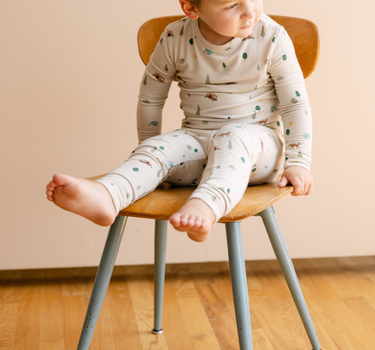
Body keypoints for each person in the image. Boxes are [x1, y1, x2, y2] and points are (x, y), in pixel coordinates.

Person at [46, 0, 314, 242]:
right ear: (191, 9)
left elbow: (295, 103)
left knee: (233, 135)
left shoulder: (272, 36)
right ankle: (108, 194)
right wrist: (152, 155)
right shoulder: (175, 37)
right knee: (159, 147)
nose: (250, 11)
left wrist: (299, 162)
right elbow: (150, 98)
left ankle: (206, 206)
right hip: (196, 142)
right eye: (232, 5)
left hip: (257, 150)